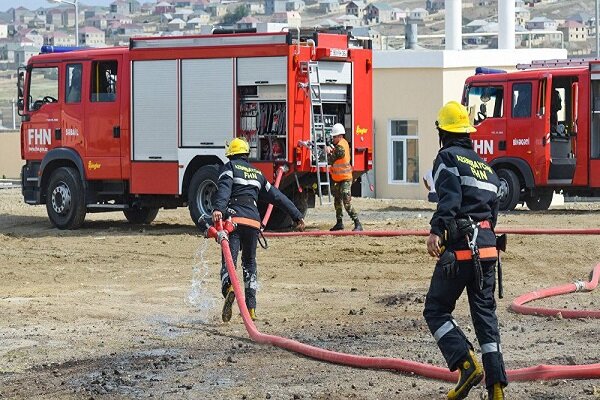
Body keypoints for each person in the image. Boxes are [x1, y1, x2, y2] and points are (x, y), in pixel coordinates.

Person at [423, 101, 507, 400]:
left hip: (461, 249)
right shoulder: (486, 168)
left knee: (435, 309)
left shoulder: (446, 158)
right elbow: (493, 215)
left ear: (443, 132)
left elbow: (450, 199)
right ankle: (496, 389)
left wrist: (436, 230)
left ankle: (465, 363)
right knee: (485, 318)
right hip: (487, 250)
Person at [212, 137, 305, 322]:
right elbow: (277, 197)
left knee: (229, 260)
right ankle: (251, 308)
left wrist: (218, 209)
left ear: (231, 154)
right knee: (250, 263)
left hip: (234, 221)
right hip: (254, 223)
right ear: (246, 154)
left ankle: (229, 288)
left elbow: (224, 190)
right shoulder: (257, 174)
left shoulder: (229, 168)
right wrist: (297, 216)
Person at [326, 123, 363, 232]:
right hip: (338, 179)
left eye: (334, 136)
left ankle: (357, 223)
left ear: (340, 136)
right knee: (337, 201)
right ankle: (339, 223)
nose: (333, 138)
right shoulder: (341, 145)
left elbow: (331, 160)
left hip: (345, 179)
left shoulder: (341, 147)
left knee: (346, 202)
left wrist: (327, 151)